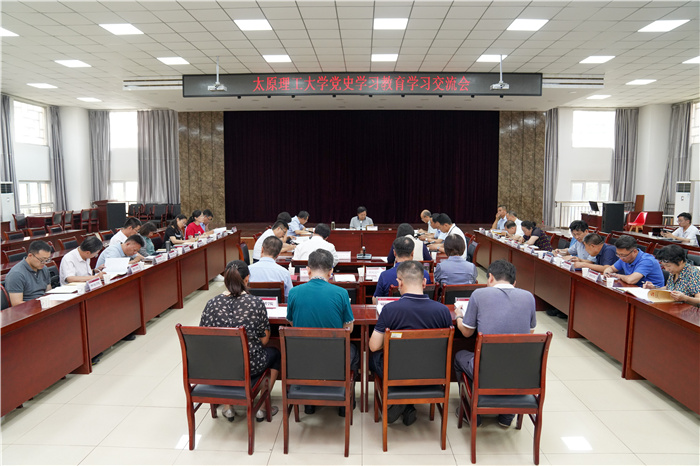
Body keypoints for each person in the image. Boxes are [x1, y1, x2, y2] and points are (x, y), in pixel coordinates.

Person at [453, 260, 536, 428]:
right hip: (520, 371)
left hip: (487, 369)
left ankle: (472, 409)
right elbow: (530, 333)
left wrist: (459, 316)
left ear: (490, 277)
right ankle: (507, 415)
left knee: (460, 355)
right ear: (514, 282)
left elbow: (467, 332)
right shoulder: (528, 297)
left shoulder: (479, 294)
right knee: (508, 363)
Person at [368, 260, 452, 426]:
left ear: (399, 283)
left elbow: (373, 346)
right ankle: (407, 405)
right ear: (424, 282)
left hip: (396, 372)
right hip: (432, 372)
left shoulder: (390, 310)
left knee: (374, 359)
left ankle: (402, 400)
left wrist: (391, 343)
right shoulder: (443, 311)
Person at [199, 260, 280, 421]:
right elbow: (264, 340)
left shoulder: (212, 304)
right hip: (250, 366)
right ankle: (262, 408)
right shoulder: (255, 303)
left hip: (218, 367)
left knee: (225, 357)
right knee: (275, 354)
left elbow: (204, 338)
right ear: (247, 278)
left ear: (226, 279)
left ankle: (228, 406)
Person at [286, 249, 359, 416]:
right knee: (354, 351)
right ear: (331, 271)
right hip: (333, 358)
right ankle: (345, 402)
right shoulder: (341, 293)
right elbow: (349, 328)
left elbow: (291, 322)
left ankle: (309, 404)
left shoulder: (294, 292)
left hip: (302, 358)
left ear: (308, 270)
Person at [373, 236, 431, 303]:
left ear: (394, 253)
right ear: (412, 253)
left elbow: (375, 301)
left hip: (393, 309)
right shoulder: (424, 273)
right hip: (420, 308)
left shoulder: (385, 275)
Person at [5, 240, 53, 306]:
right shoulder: (16, 274)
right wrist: (39, 305)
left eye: (47, 260)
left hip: (44, 305)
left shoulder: (44, 268)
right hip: (28, 308)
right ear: (30, 256)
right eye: (42, 260)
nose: (44, 263)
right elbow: (16, 304)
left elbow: (48, 292)